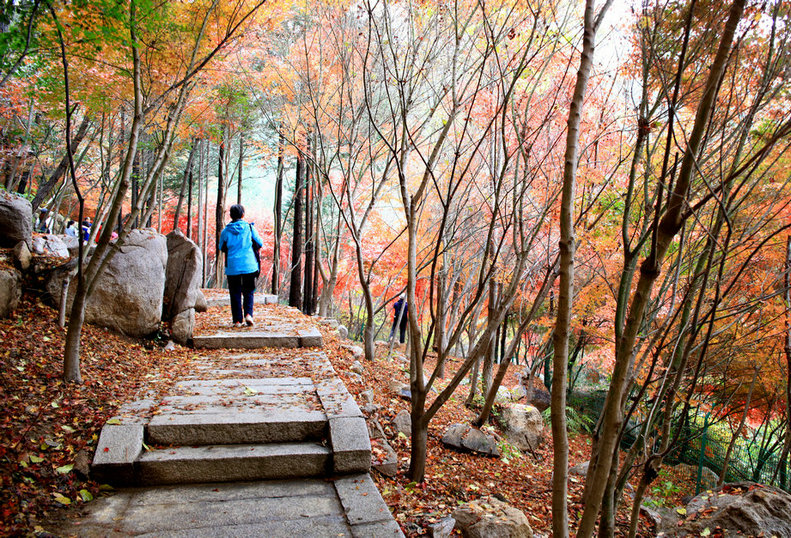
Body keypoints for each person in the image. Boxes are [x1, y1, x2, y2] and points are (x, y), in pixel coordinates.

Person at [219, 204, 263, 328]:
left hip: (233, 267)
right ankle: (248, 314)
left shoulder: (226, 231)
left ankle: (237, 321)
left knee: (235, 293)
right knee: (248, 291)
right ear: (243, 215)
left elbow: (221, 247)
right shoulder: (249, 228)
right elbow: (260, 242)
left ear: (231, 216)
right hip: (249, 265)